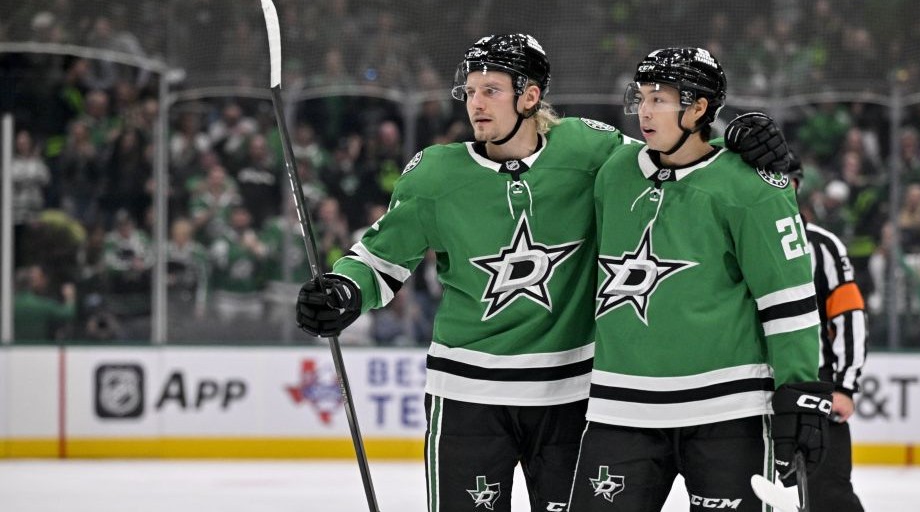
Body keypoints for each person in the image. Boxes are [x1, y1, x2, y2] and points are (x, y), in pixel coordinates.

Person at [294, 34, 791, 512]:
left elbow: (675, 152)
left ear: (529, 97)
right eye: (470, 90)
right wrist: (344, 289)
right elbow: (379, 260)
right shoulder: (434, 175)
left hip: (569, 396)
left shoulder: (589, 150)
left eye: (491, 90)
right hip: (466, 395)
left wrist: (741, 141)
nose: (475, 103)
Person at [568, 47, 830, 511]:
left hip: (728, 413)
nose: (645, 111)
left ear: (698, 108)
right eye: (641, 97)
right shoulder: (614, 174)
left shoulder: (751, 187)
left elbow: (787, 301)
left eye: (659, 99)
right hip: (620, 407)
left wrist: (799, 392)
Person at [803, 220, 868, 512]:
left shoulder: (821, 245)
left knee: (829, 493)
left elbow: (849, 314)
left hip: (813, 381)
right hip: (745, 382)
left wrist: (844, 386)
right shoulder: (732, 232)